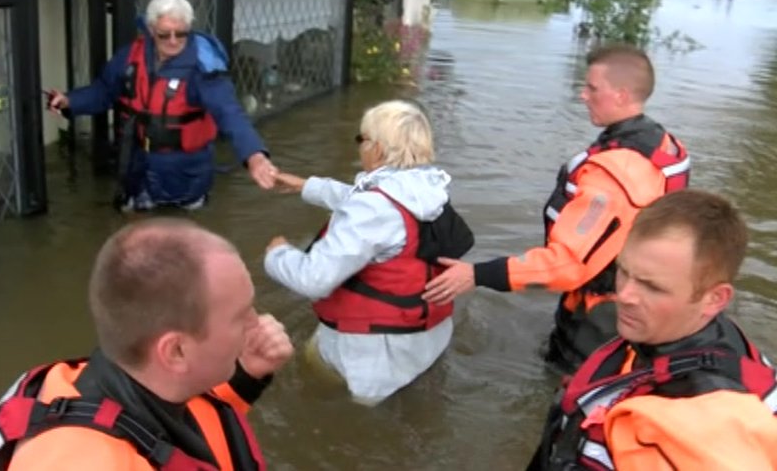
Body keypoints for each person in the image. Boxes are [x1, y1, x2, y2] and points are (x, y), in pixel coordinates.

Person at [423, 44, 691, 373]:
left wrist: (477, 274)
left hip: (604, 321)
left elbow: (567, 265)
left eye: (593, 88)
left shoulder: (613, 174)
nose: (583, 95)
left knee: (571, 398)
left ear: (621, 95)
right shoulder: (664, 144)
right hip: (641, 305)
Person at [0, 218, 294, 470]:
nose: (257, 321)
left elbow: (172, 419)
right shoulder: (87, 463)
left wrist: (245, 377)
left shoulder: (114, 375)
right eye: (240, 316)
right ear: (176, 351)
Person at [527, 190, 777, 471]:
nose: (625, 296)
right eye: (624, 271)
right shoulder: (670, 331)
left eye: (652, 287)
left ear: (714, 299)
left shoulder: (706, 422)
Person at [264, 100, 474, 404]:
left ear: (376, 149)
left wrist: (277, 255)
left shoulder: (375, 207)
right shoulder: (428, 189)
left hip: (374, 357)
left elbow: (313, 279)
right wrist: (306, 186)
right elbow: (372, 205)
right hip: (428, 340)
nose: (359, 147)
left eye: (361, 139)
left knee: (325, 388)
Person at [47, 0, 277, 211]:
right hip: (138, 165)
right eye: (164, 34)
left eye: (181, 33)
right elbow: (104, 91)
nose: (173, 41)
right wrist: (69, 101)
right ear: (150, 30)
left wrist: (254, 156)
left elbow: (230, 113)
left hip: (186, 171)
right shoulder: (130, 55)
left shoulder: (203, 67)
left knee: (184, 237)